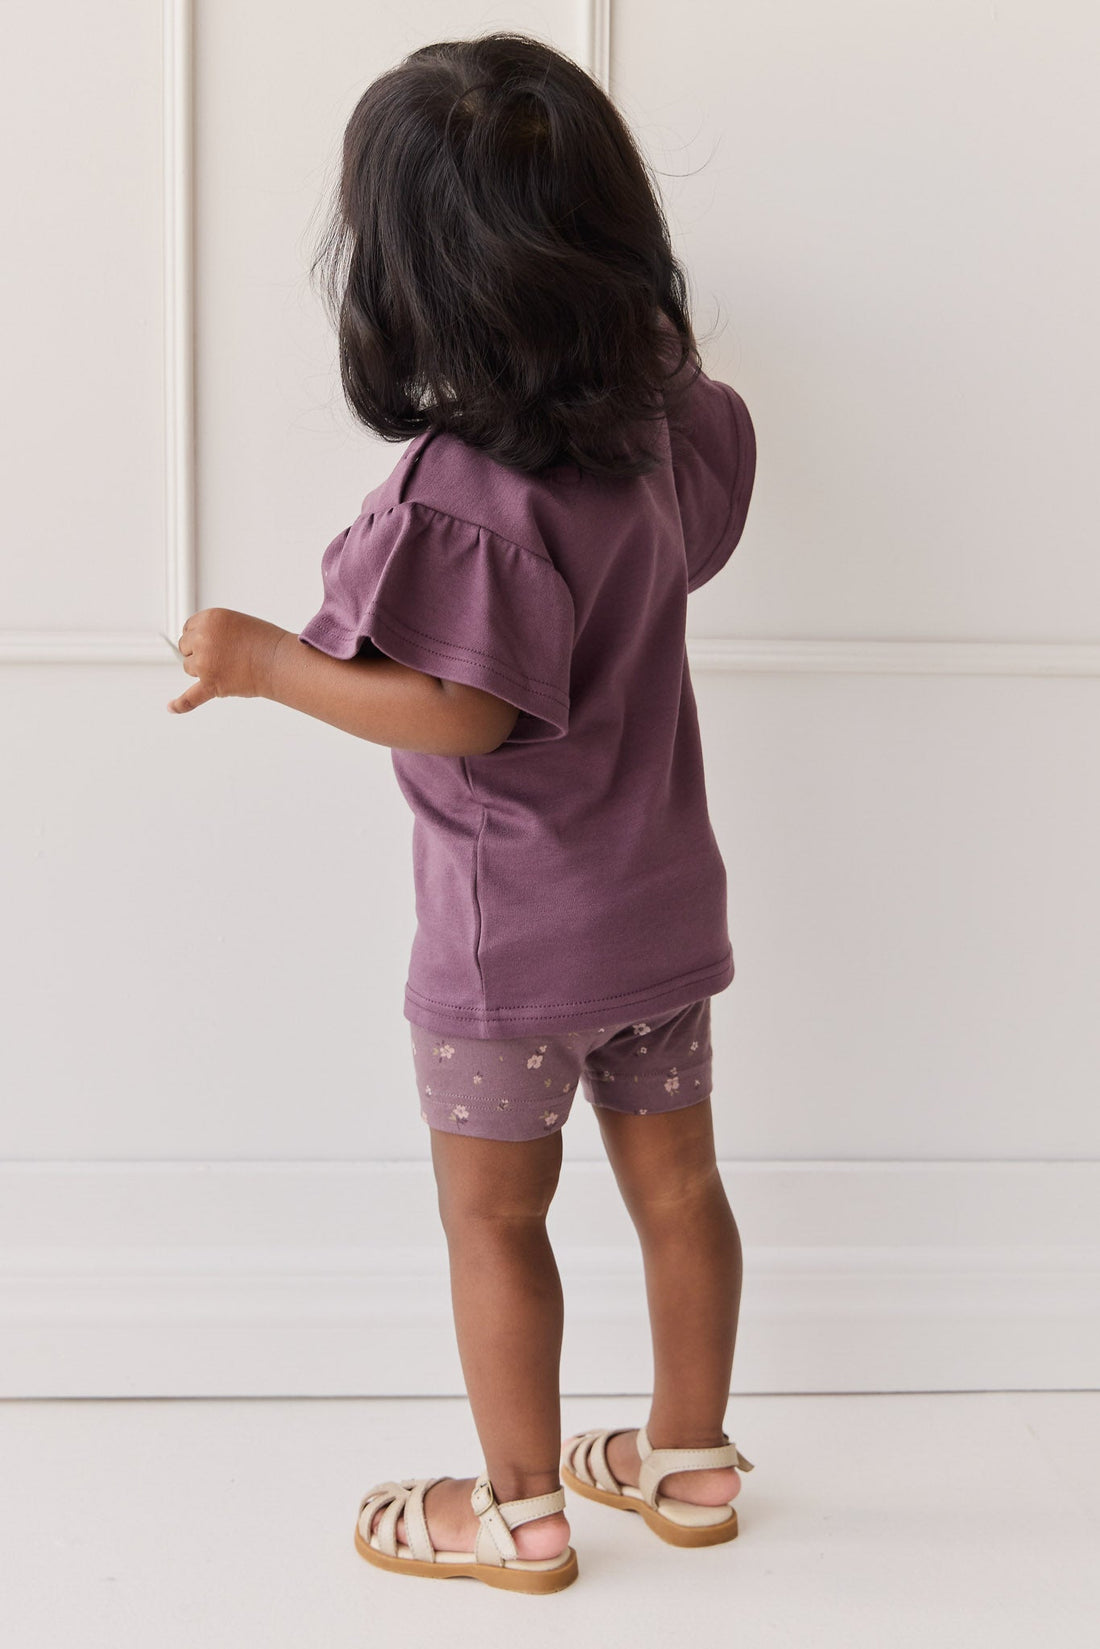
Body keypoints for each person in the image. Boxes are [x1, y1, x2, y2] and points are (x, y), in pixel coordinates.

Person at [166, 31, 757, 1595]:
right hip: (663, 917)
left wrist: (268, 664)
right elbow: (696, 529)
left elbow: (465, 709)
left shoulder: (460, 496)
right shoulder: (654, 428)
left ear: (409, 282)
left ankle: (516, 1510)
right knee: (681, 1186)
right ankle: (690, 1460)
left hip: (508, 956)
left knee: (496, 1221)